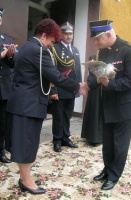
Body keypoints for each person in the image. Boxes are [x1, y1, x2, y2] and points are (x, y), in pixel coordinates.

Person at [5, 18, 88, 195]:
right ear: (44, 35)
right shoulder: (38, 50)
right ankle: (26, 182)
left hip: (23, 103)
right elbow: (55, 76)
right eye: (51, 41)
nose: (51, 45)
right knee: (27, 144)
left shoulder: (28, 46)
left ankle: (24, 177)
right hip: (28, 105)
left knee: (25, 143)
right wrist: (77, 87)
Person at [89, 20, 131, 190]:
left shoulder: (129, 50)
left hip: (125, 107)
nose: (95, 43)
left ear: (109, 35)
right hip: (108, 105)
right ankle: (107, 169)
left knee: (120, 145)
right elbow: (99, 76)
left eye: (97, 39)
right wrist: (89, 84)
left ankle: (114, 176)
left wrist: (108, 84)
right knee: (108, 143)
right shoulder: (102, 53)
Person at [50, 22, 82, 152]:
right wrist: (53, 90)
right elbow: (52, 71)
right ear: (61, 35)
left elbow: (77, 70)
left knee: (67, 115)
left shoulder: (75, 50)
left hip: (71, 89)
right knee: (58, 116)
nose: (69, 36)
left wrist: (78, 87)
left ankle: (65, 138)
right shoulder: (54, 48)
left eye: (71, 34)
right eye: (66, 34)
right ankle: (57, 140)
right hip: (59, 89)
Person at [0, 7, 18, 163]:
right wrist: (3, 54)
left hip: (3, 88)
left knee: (2, 122)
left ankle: (1, 151)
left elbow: (12, 65)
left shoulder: (6, 39)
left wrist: (10, 56)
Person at [81, 55, 103, 147]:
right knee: (94, 114)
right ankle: (93, 138)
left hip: (102, 95)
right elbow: (91, 81)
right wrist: (99, 79)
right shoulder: (92, 72)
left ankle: (100, 137)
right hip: (94, 96)